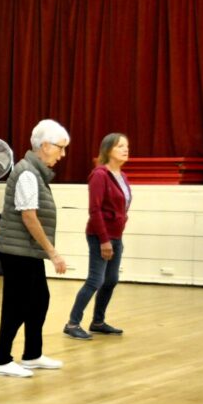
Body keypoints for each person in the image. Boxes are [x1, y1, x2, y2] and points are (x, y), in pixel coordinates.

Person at [0, 119, 70, 378]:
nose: (63, 154)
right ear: (45, 146)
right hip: (18, 252)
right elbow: (29, 217)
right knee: (16, 305)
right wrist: (52, 251)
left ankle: (32, 355)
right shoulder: (27, 172)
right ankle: (2, 359)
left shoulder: (35, 172)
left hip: (28, 251)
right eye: (60, 147)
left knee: (39, 300)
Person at [64, 133, 131, 339]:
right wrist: (104, 240)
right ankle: (72, 323)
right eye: (120, 146)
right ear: (108, 149)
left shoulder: (122, 175)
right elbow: (95, 210)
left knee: (111, 279)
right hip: (100, 236)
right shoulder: (100, 175)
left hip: (116, 235)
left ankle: (98, 321)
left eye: (126, 146)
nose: (125, 149)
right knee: (95, 280)